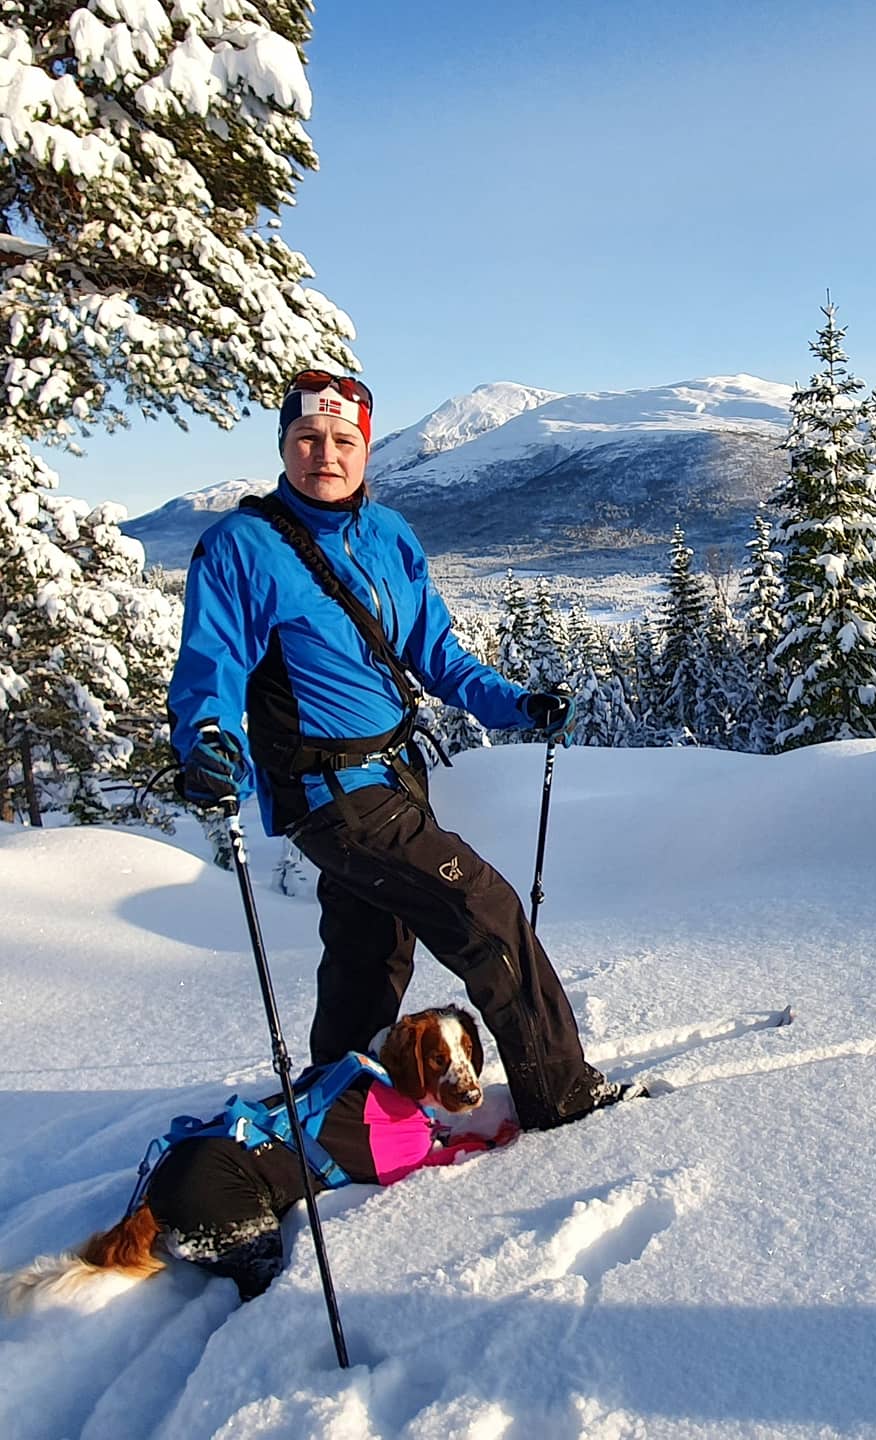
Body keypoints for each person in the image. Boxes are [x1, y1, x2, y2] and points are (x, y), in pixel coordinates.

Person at [168, 370, 626, 1130]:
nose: (324, 454)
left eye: (343, 440)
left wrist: (516, 704)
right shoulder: (242, 548)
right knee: (486, 913)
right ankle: (562, 1093)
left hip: (396, 776)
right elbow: (210, 666)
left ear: (366, 450)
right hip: (329, 792)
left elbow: (437, 654)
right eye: (307, 439)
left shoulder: (389, 536)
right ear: (283, 445)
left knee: (370, 947)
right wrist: (209, 739)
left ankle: (340, 1113)